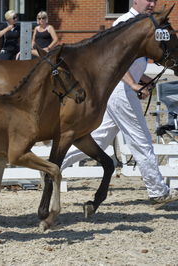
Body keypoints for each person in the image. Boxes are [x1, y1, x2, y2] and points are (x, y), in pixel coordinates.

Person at [61, 0, 178, 205]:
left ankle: (52, 166)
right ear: (135, 0)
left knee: (98, 139)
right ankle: (157, 191)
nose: (152, 3)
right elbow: (113, 61)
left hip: (120, 89)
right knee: (141, 139)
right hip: (120, 90)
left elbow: (132, 64)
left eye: (154, 0)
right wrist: (132, 84)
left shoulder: (145, 23)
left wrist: (142, 80)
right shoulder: (125, 22)